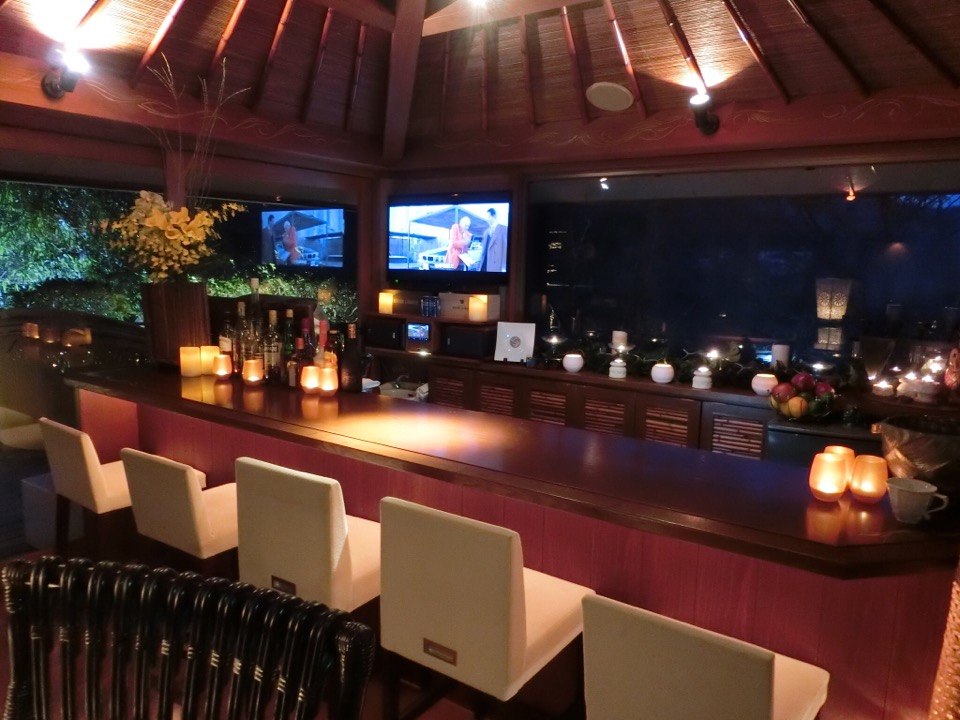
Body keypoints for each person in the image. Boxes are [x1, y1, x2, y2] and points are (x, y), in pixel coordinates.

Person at [479, 207, 507, 272]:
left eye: (488, 217)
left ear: (494, 216)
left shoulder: (503, 229)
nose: (487, 219)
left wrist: (504, 267)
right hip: (484, 266)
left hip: (495, 267)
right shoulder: (486, 232)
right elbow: (484, 251)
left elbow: (505, 249)